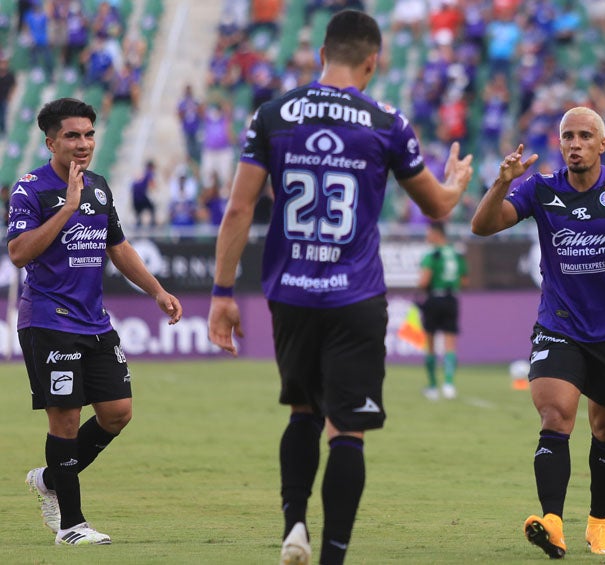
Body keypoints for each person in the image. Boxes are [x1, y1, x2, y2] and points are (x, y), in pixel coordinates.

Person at [207, 11, 473, 565]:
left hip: (292, 293)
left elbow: (238, 207)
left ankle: (293, 525)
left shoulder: (274, 114)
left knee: (301, 410)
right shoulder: (386, 121)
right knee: (348, 431)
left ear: (322, 52)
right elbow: (437, 207)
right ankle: (332, 557)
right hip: (355, 297)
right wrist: (457, 181)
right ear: (373, 61)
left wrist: (222, 294)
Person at [471, 106, 605, 558]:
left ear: (602, 144)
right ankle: (552, 523)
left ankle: (598, 524)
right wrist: (502, 181)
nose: (575, 143)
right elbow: (483, 226)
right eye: (568, 135)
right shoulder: (541, 188)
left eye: (586, 136)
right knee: (556, 416)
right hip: (558, 325)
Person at [10, 98, 182, 546]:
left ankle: (50, 479)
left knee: (117, 413)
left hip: (94, 323)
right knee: (64, 421)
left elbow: (118, 247)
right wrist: (66, 208)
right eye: (72, 135)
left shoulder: (100, 187)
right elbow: (18, 253)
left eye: (88, 134)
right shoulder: (30, 189)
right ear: (51, 141)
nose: (83, 143)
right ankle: (71, 525)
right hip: (49, 320)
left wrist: (158, 290)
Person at [417, 220, 468, 400]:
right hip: (451, 299)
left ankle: (432, 386)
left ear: (437, 234)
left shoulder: (433, 255)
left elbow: (423, 281)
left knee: (430, 344)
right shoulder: (456, 253)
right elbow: (464, 281)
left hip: (434, 298)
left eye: (429, 233)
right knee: (450, 344)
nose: (427, 236)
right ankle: (449, 385)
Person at [131, 160, 157, 227]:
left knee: (139, 213)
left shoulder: (144, 172)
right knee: (152, 208)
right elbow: (152, 184)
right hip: (141, 195)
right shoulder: (149, 172)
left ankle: (138, 225)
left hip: (135, 196)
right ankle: (152, 224)